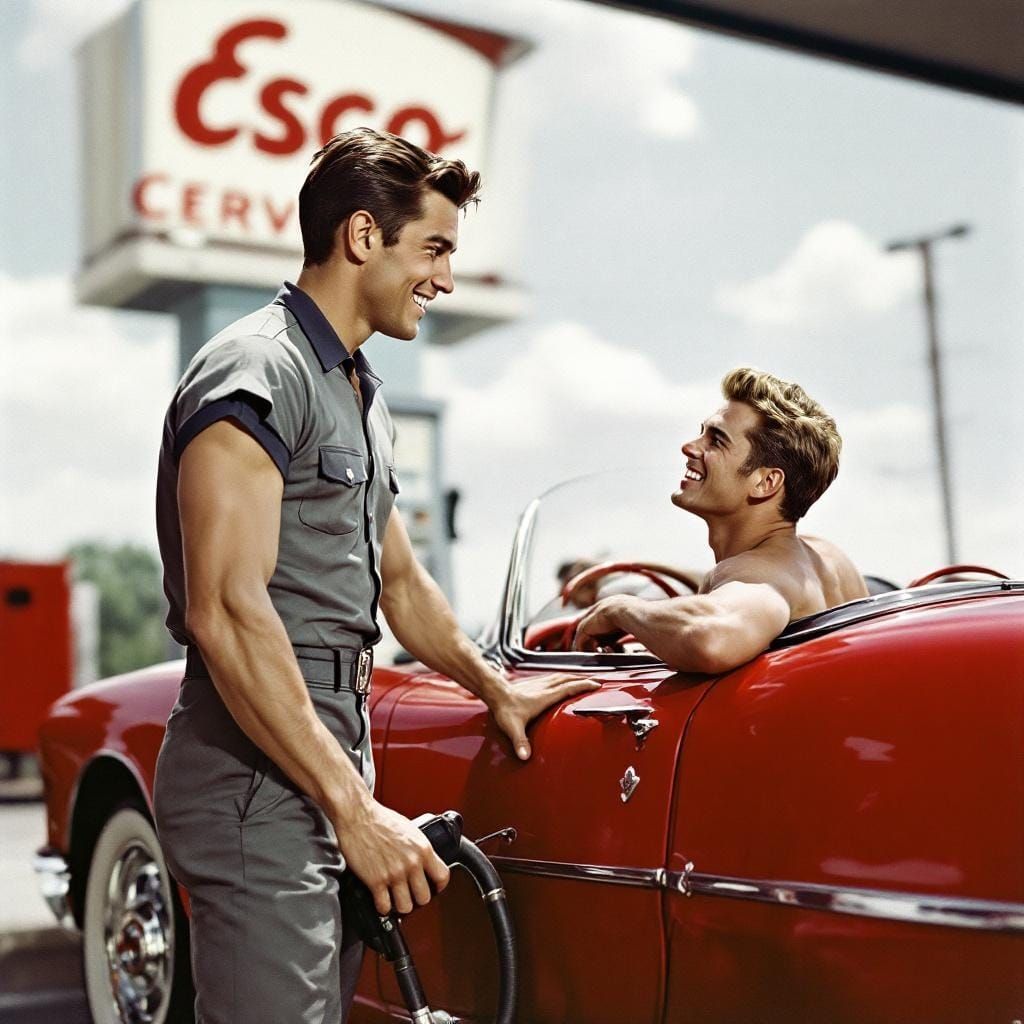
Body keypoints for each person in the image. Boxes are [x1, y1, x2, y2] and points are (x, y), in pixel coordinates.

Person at [152, 128, 595, 1024]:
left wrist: (492, 686)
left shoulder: (356, 390)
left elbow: (399, 580)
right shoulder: (257, 369)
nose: (444, 278)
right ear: (363, 237)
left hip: (319, 753)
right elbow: (228, 613)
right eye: (432, 248)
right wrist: (354, 810)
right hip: (254, 771)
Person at [573, 367, 868, 670]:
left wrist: (621, 609)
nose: (689, 447)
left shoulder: (759, 575)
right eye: (702, 432)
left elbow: (709, 639)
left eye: (717, 440)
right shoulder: (826, 558)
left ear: (765, 483)